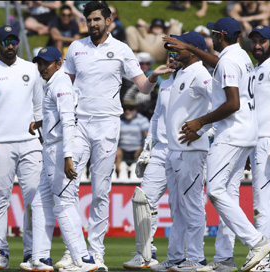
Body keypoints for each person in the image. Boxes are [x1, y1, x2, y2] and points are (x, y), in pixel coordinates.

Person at [60, 2, 173, 271]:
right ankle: (73, 251)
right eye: (89, 20)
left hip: (108, 125)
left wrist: (154, 76)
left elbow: (142, 87)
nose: (93, 24)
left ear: (109, 21)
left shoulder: (122, 49)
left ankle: (96, 253)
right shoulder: (76, 48)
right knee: (68, 187)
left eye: (98, 19)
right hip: (79, 124)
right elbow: (64, 84)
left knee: (100, 192)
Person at [163, 17, 270, 272]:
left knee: (215, 190)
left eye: (214, 34)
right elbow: (219, 64)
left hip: (231, 134)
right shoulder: (242, 56)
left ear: (220, 36)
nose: (212, 38)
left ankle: (256, 241)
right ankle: (225, 258)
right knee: (230, 194)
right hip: (248, 133)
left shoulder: (229, 60)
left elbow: (232, 103)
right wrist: (192, 49)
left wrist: (199, 122)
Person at [19, 46, 98, 272]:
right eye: (39, 63)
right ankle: (41, 258)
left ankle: (83, 259)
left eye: (46, 63)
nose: (41, 67)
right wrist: (41, 123)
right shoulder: (53, 83)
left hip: (61, 149)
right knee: (39, 201)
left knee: (64, 205)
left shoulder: (61, 83)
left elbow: (68, 120)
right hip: (53, 149)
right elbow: (59, 115)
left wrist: (68, 156)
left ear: (58, 63)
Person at [0, 25, 44, 269]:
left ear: (17, 42)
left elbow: (39, 108)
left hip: (29, 144)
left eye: (13, 40)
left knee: (34, 201)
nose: (10, 45)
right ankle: (0, 252)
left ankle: (32, 253)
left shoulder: (31, 69)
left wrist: (43, 139)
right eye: (5, 41)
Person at [151, 31, 212, 272]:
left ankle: (196, 258)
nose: (174, 52)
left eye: (179, 47)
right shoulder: (181, 75)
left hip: (191, 149)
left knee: (193, 205)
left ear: (194, 49)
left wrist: (202, 127)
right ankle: (176, 256)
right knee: (177, 207)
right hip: (174, 150)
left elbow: (222, 103)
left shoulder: (200, 74)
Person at [122, 53, 181, 270]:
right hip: (160, 150)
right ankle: (145, 254)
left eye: (176, 54)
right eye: (169, 55)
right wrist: (148, 148)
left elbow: (211, 113)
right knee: (143, 201)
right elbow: (156, 118)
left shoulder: (198, 78)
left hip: (184, 150)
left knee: (181, 206)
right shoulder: (164, 84)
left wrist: (201, 136)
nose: (173, 59)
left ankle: (190, 255)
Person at [246, 25, 270, 272]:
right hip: (258, 141)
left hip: (269, 140)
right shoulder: (259, 68)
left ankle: (264, 259)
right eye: (254, 41)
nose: (257, 45)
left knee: (262, 201)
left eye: (262, 41)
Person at [123, 52, 164, 120]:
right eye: (142, 63)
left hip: (148, 111)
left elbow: (163, 85)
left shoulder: (153, 74)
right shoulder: (127, 75)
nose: (145, 66)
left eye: (147, 63)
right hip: (128, 110)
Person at [115, 99, 149, 176]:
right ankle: (118, 175)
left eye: (130, 108)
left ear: (135, 109)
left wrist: (142, 149)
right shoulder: (118, 120)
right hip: (121, 150)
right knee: (114, 152)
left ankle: (142, 174)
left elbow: (148, 138)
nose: (127, 111)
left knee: (146, 153)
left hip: (138, 150)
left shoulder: (142, 120)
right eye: (125, 108)